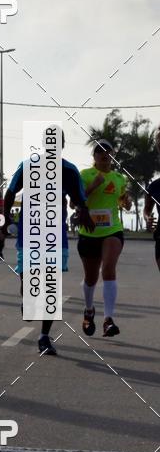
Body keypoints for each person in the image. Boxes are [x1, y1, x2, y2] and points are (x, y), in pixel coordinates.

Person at [4, 136, 95, 355]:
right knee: (28, 277)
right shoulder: (29, 165)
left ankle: (44, 336)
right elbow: (11, 191)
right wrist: (5, 217)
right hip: (30, 230)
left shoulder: (69, 170)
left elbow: (79, 199)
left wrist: (85, 214)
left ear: (62, 145)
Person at [78, 140, 131, 338]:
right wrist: (92, 186)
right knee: (91, 278)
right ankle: (89, 309)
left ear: (112, 154)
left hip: (112, 230)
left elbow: (121, 200)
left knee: (108, 268)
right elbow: (76, 199)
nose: (104, 155)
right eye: (99, 152)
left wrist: (126, 202)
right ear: (94, 156)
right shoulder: (85, 175)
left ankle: (108, 320)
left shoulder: (119, 178)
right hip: (89, 233)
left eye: (107, 151)